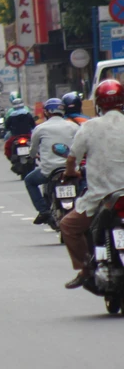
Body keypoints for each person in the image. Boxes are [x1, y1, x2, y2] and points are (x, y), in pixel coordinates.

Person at [62, 80, 124, 289]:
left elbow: (72, 159)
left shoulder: (89, 127)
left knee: (68, 226)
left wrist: (71, 173)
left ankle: (85, 268)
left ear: (98, 103)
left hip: (100, 197)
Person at [24, 98, 79, 225]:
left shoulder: (40, 128)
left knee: (29, 181)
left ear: (47, 112)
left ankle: (43, 211)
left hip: (48, 171)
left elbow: (33, 149)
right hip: (71, 170)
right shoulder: (73, 126)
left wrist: (32, 156)